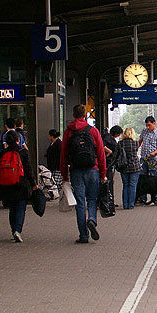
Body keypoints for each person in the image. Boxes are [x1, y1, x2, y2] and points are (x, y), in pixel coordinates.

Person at [60, 104, 107, 243]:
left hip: (75, 170)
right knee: (92, 199)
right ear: (85, 115)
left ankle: (83, 236)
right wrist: (103, 173)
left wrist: (64, 176)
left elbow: (63, 154)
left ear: (73, 115)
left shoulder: (68, 131)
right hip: (92, 169)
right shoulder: (93, 131)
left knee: (80, 202)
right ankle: (92, 219)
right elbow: (101, 153)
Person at [0, 130, 37, 243]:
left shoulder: (2, 153)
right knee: (20, 208)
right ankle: (17, 231)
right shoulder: (22, 152)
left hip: (6, 185)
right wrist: (33, 184)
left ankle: (13, 229)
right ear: (18, 140)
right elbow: (28, 170)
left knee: (12, 209)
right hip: (21, 184)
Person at [137, 116, 157, 205]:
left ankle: (156, 198)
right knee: (142, 178)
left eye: (149, 125)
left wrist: (154, 153)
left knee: (154, 178)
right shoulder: (144, 131)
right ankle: (142, 197)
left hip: (153, 159)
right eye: (146, 125)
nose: (148, 127)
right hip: (143, 158)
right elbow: (140, 141)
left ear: (154, 123)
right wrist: (136, 148)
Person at [118, 127, 142, 209]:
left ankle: (125, 204)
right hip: (134, 166)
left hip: (124, 167)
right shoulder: (135, 143)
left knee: (125, 185)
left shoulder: (120, 143)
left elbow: (118, 155)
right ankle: (131, 205)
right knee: (133, 186)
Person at [102, 125, 123, 204]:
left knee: (109, 182)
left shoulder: (110, 138)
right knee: (108, 182)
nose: (119, 135)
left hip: (109, 163)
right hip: (107, 163)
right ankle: (108, 201)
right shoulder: (107, 138)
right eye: (119, 133)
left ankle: (109, 200)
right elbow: (102, 145)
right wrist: (109, 151)